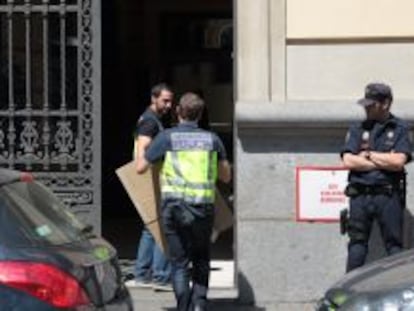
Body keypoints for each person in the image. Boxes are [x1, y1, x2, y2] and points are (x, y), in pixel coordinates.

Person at [137, 92, 231, 311]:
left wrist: (143, 149)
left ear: (178, 111)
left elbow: (141, 168)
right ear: (200, 114)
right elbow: (226, 176)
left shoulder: (167, 137)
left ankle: (182, 306)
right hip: (202, 210)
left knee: (179, 263)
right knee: (201, 259)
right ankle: (198, 304)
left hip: (174, 209)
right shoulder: (212, 140)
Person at [341, 82, 412, 272]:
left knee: (394, 248)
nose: (366, 108)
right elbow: (348, 161)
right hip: (360, 196)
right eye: (365, 104)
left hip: (388, 196)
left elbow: (398, 161)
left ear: (386, 103)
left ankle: (395, 294)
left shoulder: (399, 128)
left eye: (371, 104)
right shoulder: (358, 128)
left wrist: (369, 155)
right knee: (356, 245)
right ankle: (347, 294)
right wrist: (384, 160)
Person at [131, 83, 173, 291]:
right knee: (161, 227)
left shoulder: (150, 118)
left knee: (150, 228)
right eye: (165, 100)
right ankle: (160, 275)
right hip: (151, 177)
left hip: (148, 176)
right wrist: (144, 174)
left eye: (170, 100)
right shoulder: (149, 121)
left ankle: (142, 273)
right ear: (153, 98)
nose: (169, 104)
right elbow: (143, 147)